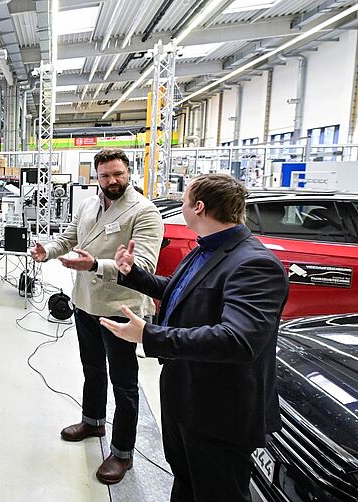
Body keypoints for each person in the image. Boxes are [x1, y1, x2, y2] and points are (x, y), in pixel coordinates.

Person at [101, 174, 288, 502]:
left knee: (217, 492)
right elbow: (178, 292)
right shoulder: (206, 249)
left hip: (219, 413)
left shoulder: (254, 264)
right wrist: (132, 274)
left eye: (184, 201)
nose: (181, 206)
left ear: (198, 207)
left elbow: (238, 340)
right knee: (186, 481)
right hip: (186, 399)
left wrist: (150, 335)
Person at [29, 148, 163, 484]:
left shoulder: (144, 212)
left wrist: (94, 265)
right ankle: (92, 421)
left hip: (122, 309)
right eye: (105, 175)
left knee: (124, 381)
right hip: (86, 302)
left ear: (128, 172)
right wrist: (48, 250)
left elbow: (143, 268)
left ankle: (122, 452)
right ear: (96, 177)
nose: (112, 181)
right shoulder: (89, 204)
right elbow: (71, 237)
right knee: (91, 368)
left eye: (117, 174)